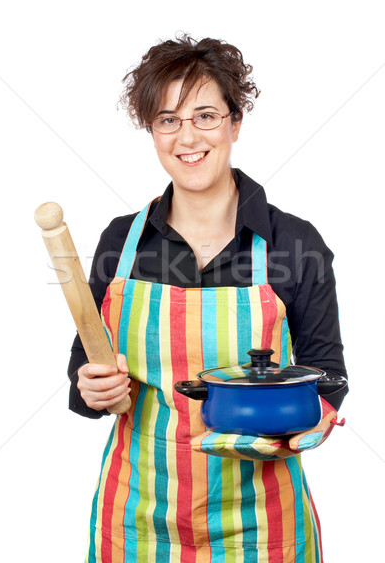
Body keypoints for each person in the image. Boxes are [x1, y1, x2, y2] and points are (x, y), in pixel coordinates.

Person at [68, 34, 348, 563]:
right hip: (137, 518)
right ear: (152, 132)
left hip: (263, 524)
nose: (187, 136)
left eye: (205, 116)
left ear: (234, 124)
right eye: (168, 120)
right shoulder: (120, 243)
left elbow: (328, 371)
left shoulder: (294, 243)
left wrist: (318, 419)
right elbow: (85, 371)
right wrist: (92, 387)